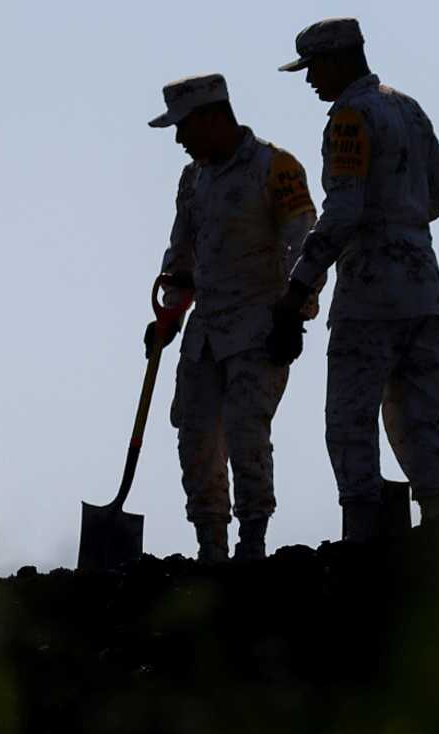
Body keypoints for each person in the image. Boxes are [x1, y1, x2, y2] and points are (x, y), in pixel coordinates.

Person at [273, 18, 439, 542]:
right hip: (423, 285)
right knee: (420, 413)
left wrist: (298, 286)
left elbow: (342, 212)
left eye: (313, 68)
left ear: (337, 59)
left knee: (351, 417)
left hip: (370, 293)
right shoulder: (407, 106)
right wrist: (402, 223)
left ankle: (362, 536)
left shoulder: (350, 117)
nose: (311, 80)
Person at [146, 73, 323, 562]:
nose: (179, 139)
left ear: (211, 117)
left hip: (259, 325)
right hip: (205, 333)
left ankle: (252, 543)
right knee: (196, 436)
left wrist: (296, 311)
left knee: (247, 433)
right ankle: (211, 547)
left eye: (183, 127)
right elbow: (182, 253)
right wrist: (171, 313)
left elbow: (303, 243)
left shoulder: (275, 166)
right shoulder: (193, 178)